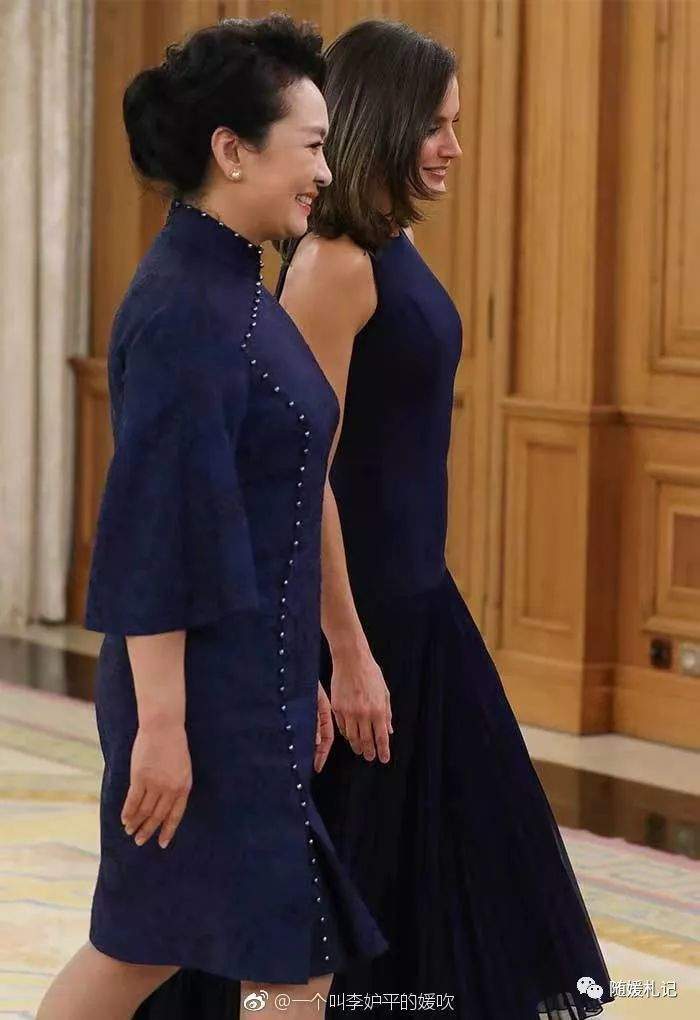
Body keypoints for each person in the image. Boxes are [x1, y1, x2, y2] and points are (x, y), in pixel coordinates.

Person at [135, 17, 615, 1020]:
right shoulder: (334, 264)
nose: (453, 147)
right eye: (437, 124)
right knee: (335, 898)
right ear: (387, 120)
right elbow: (303, 470)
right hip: (356, 619)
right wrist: (347, 652)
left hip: (416, 604)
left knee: (441, 878)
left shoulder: (387, 244)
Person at [36, 16, 386, 1020]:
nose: (325, 171)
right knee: (164, 948)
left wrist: (296, 672)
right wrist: (161, 725)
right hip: (196, 701)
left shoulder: (236, 288)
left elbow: (261, 501)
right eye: (310, 145)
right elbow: (158, 527)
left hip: (243, 687)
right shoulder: (187, 308)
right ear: (232, 151)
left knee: (267, 957)